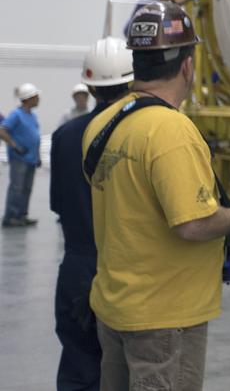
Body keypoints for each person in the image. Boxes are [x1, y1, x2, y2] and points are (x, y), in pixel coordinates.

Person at [84, 1, 230, 391]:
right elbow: (194, 222)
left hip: (116, 304)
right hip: (164, 319)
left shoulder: (102, 124)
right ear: (188, 66)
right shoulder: (170, 131)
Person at [50, 37, 133, 391]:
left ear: (89, 85)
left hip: (77, 266)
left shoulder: (64, 135)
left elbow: (59, 205)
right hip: (124, 271)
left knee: (79, 365)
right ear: (133, 80)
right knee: (129, 370)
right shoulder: (142, 133)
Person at [1, 82, 43, 227]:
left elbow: (35, 137)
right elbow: (2, 130)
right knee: (17, 188)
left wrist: (38, 156)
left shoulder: (32, 116)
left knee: (26, 188)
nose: (38, 99)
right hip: (19, 158)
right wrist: (15, 146)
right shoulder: (16, 115)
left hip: (31, 159)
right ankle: (11, 217)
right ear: (28, 98)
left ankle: (21, 215)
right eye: (36, 96)